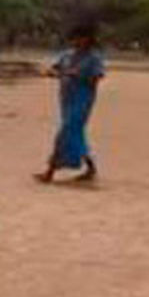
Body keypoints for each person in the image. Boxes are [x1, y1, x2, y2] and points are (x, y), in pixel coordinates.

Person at [36, 22, 105, 183]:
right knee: (76, 134)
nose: (76, 42)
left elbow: (97, 77)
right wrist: (52, 73)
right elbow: (55, 68)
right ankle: (90, 167)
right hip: (66, 98)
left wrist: (78, 76)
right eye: (74, 38)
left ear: (88, 39)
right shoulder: (67, 55)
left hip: (82, 99)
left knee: (65, 133)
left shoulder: (94, 58)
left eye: (80, 38)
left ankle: (50, 170)